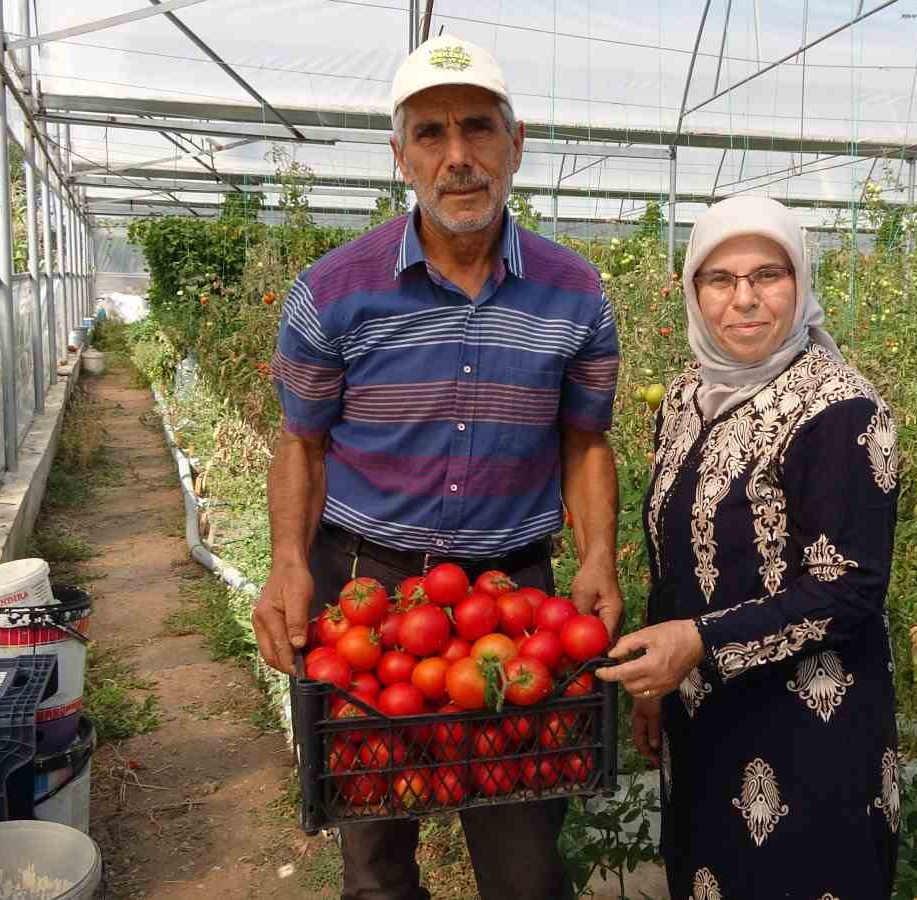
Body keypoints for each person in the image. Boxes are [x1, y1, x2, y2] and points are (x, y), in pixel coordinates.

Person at [250, 34, 623, 900]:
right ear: (400, 157)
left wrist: (596, 556)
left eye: (479, 129)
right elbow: (301, 443)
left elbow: (585, 442)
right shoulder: (334, 290)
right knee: (375, 851)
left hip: (515, 595)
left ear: (516, 143)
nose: (458, 157)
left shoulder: (577, 292)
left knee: (526, 856)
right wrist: (289, 565)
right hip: (369, 597)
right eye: (430, 134)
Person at [597, 196, 902, 900]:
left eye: (767, 275)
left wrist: (698, 642)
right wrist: (657, 679)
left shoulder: (839, 410)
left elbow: (847, 590)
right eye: (719, 279)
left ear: (798, 282)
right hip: (703, 713)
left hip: (808, 721)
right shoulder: (683, 399)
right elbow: (671, 550)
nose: (745, 299)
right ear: (693, 292)